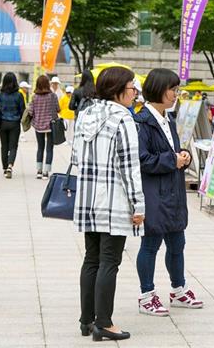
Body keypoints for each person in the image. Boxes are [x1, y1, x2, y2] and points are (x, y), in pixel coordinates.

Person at [71, 66, 145, 341]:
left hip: (88, 200)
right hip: (114, 201)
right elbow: (129, 167)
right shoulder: (122, 119)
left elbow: (77, 156)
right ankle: (104, 323)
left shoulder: (86, 114)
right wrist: (139, 206)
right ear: (117, 90)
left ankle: (86, 321)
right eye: (131, 88)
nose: (135, 93)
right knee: (109, 262)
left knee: (92, 259)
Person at [135, 68, 203, 317]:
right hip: (154, 193)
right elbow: (141, 159)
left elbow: (171, 150)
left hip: (173, 192)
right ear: (158, 90)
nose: (176, 94)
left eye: (177, 89)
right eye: (173, 89)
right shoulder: (141, 122)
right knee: (151, 244)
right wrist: (170, 160)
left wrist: (182, 154)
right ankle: (146, 295)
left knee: (177, 243)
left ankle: (178, 289)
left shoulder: (168, 119)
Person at [27, 75, 59, 179]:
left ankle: (39, 171)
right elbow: (58, 109)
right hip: (50, 125)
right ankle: (46, 172)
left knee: (40, 147)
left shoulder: (34, 97)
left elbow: (31, 112)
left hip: (38, 125)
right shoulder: (53, 96)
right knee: (49, 148)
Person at [0, 72, 24, 178]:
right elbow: (22, 110)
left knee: (4, 146)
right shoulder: (19, 95)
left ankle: (4, 168)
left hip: (2, 123)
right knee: (13, 146)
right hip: (14, 123)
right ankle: (10, 165)